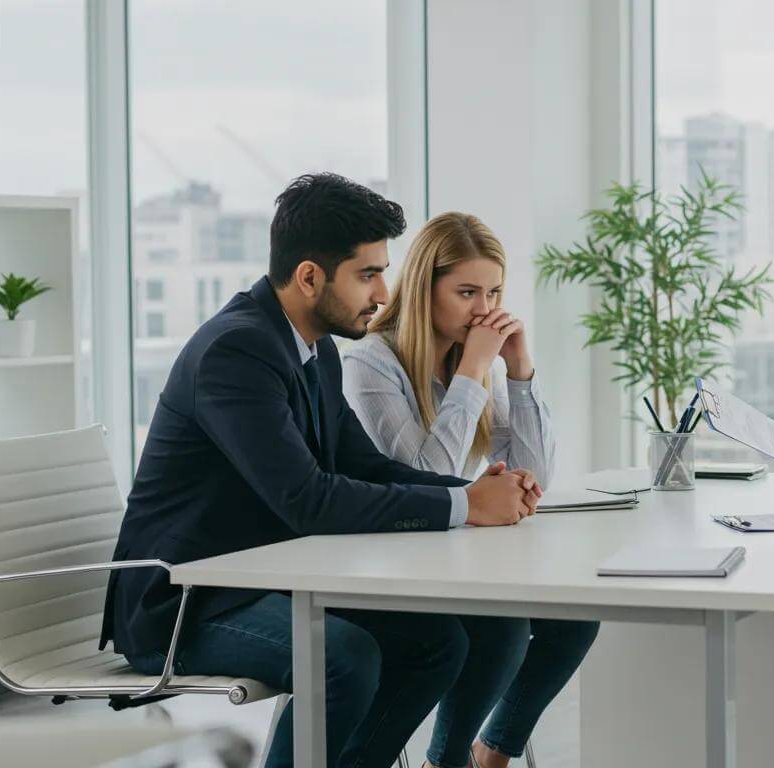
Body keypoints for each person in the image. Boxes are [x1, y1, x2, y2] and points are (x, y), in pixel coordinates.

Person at [102, 174, 541, 768]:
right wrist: (466, 507)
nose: (384, 293)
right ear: (309, 277)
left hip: (259, 580)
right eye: (367, 274)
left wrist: (474, 491)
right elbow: (308, 500)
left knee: (437, 643)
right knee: (342, 656)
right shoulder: (238, 352)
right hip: (185, 602)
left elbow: (367, 466)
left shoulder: (313, 348)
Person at [343, 212, 598, 768]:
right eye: (465, 292)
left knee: (575, 616)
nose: (484, 309)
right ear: (422, 289)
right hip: (386, 560)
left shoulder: (470, 358)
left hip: (446, 554)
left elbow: (534, 473)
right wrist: (474, 370)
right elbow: (420, 475)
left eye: (494, 292)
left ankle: (492, 752)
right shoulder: (371, 363)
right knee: (503, 629)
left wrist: (520, 372)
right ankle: (448, 758)